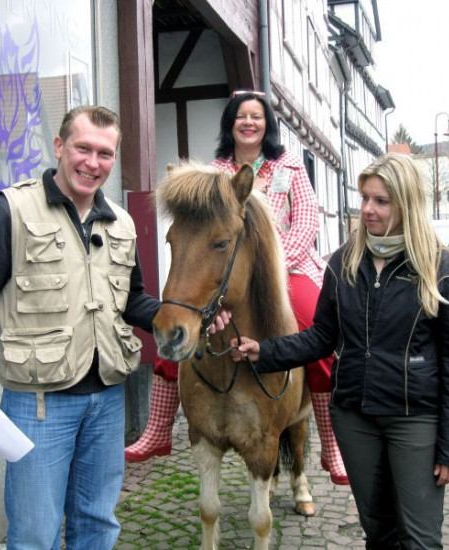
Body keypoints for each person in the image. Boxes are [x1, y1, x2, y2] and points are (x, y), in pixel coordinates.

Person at [0, 106, 231, 549]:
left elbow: (131, 300)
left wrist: (190, 316)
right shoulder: (11, 211)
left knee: (98, 523)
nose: (92, 163)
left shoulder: (121, 222)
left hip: (107, 400)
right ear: (59, 147)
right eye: (83, 148)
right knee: (35, 533)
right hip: (38, 404)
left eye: (104, 153)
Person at [230, 153, 449, 549]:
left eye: (381, 201)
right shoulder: (345, 260)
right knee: (378, 532)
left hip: (414, 419)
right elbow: (322, 337)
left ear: (407, 204)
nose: (368, 209)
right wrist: (265, 351)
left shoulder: (442, 268)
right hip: (355, 417)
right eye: (365, 198)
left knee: (420, 538)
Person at [125, 90, 349, 487]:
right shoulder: (214, 171)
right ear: (230, 123)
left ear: (267, 124)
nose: (248, 122)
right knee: (178, 321)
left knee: (313, 325)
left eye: (256, 116)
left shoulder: (289, 166)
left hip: (288, 267)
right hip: (228, 272)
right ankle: (158, 427)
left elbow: (306, 221)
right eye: (241, 116)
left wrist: (276, 266)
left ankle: (331, 443)